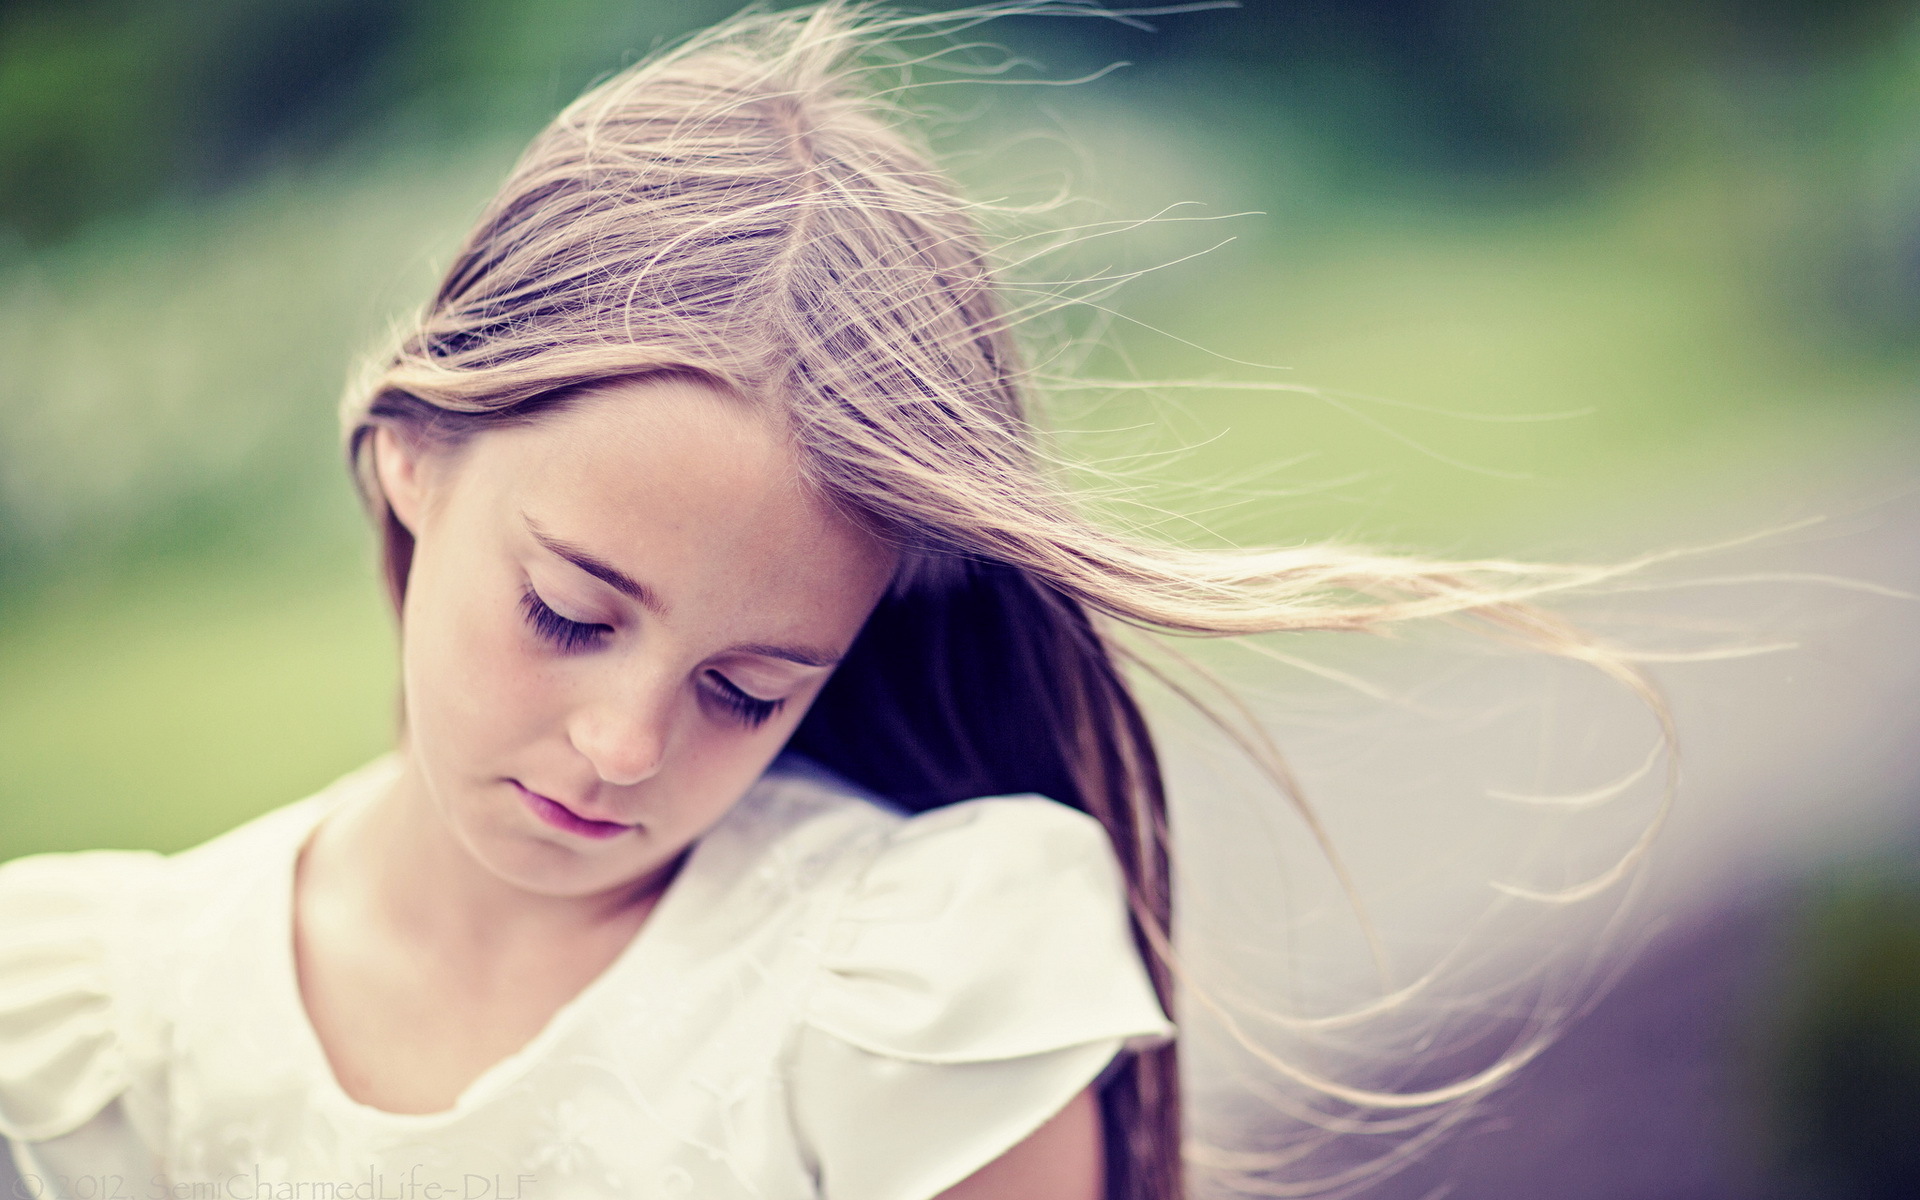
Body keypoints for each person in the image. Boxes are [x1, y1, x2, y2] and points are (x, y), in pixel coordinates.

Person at [0, 4, 1654, 1198]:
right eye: (573, 612)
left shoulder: (904, 990)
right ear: (414, 458)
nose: (626, 743)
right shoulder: (109, 1016)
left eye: (750, 687)